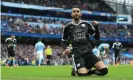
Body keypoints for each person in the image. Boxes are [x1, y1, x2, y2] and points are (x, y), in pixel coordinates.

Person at [62, 5, 108, 76]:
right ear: (72, 14)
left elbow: (97, 37)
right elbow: (64, 40)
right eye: (74, 11)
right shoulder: (67, 27)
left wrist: (96, 27)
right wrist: (66, 48)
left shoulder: (86, 24)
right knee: (83, 75)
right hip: (77, 54)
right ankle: (75, 70)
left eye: (78, 11)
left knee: (104, 71)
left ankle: (89, 72)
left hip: (89, 53)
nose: (76, 13)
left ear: (81, 13)